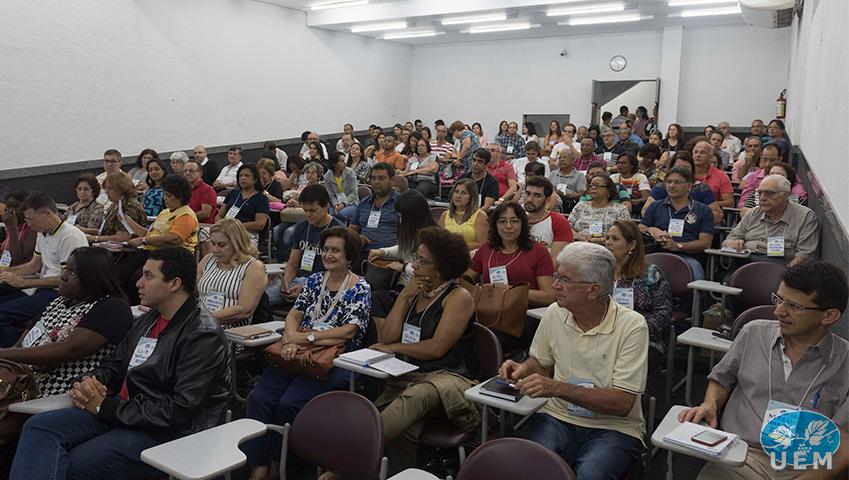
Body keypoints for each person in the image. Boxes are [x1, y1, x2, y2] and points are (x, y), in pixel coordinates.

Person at [9, 247, 230, 480]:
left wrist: (104, 407)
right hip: (123, 412)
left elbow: (178, 410)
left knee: (69, 463)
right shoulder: (148, 320)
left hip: (167, 431)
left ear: (174, 284)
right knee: (39, 427)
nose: (138, 283)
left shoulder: (202, 334)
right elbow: (115, 365)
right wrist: (90, 382)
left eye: (148, 276)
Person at [679, 260, 849, 480]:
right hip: (741, 457)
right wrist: (710, 403)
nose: (779, 311)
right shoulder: (753, 333)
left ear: (829, 316)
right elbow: (721, 378)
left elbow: (843, 446)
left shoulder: (844, 361)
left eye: (794, 306)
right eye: (779, 299)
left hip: (808, 467)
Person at [500, 242, 648, 479]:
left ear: (593, 290)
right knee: (531, 470)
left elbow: (622, 404)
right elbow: (540, 364)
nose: (555, 285)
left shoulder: (632, 326)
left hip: (613, 427)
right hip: (558, 417)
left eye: (565, 279)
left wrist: (556, 387)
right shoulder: (554, 313)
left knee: (591, 474)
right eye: (557, 275)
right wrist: (523, 369)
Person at [242, 227, 370, 480]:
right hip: (299, 350)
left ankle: (280, 466)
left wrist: (306, 338)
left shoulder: (360, 288)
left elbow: (347, 332)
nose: (328, 255)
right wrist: (290, 338)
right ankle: (258, 465)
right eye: (326, 249)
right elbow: (294, 315)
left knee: (288, 404)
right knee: (259, 398)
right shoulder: (313, 281)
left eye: (336, 250)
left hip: (332, 358)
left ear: (349, 256)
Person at [370, 227, 479, 474]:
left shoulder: (458, 297)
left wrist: (394, 347)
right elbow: (386, 336)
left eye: (421, 261)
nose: (413, 265)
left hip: (450, 378)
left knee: (416, 396)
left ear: (440, 268)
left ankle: (353, 457)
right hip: (411, 373)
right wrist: (403, 298)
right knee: (407, 427)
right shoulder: (416, 292)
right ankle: (400, 474)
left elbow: (436, 348)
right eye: (415, 258)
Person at [0, 247, 133, 397]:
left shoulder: (111, 307)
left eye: (73, 273)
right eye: (65, 269)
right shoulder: (58, 301)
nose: (63, 276)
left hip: (62, 389)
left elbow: (69, 350)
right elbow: (22, 344)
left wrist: (5, 354)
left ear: (94, 278)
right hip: (21, 381)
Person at [0, 192, 89, 347]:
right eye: (26, 219)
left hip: (61, 293)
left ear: (47, 214)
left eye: (31, 219)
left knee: (2, 314)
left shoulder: (70, 236)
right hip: (42, 287)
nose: (28, 224)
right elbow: (33, 265)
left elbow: (66, 278)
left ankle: (16, 356)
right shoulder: (43, 233)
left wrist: (23, 283)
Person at [119, 175, 199, 304]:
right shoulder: (165, 212)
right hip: (152, 252)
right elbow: (149, 233)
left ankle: (140, 307)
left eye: (169, 196)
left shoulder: (186, 215)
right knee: (121, 273)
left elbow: (175, 238)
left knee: (136, 279)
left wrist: (144, 240)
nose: (165, 199)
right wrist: (128, 221)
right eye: (165, 195)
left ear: (180, 197)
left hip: (173, 256)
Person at [465, 201, 555, 316]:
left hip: (524, 315)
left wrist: (508, 291)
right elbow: (465, 280)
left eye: (514, 221)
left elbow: (549, 297)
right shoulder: (487, 248)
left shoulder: (538, 251)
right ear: (495, 225)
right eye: (502, 221)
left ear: (523, 224)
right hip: (489, 311)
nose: (508, 226)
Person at [605, 220, 672, 371]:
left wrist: (634, 329)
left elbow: (664, 312)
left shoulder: (650, 273)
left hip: (642, 338)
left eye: (615, 239)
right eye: (607, 238)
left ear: (632, 245)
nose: (608, 243)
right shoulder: (600, 272)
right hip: (604, 335)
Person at [723, 174, 818, 265]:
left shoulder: (805, 216)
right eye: (760, 193)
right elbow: (730, 239)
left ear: (786, 195)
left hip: (783, 267)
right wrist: (733, 243)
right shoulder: (753, 213)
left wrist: (787, 277)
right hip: (747, 261)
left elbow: (804, 255)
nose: (762, 198)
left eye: (769, 193)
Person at [273, 185, 344, 305]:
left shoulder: (337, 230)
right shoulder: (301, 227)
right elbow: (293, 262)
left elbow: (337, 272)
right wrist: (286, 282)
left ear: (326, 206)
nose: (308, 214)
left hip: (323, 285)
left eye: (313, 210)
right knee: (261, 297)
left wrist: (307, 288)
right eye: (305, 210)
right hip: (298, 280)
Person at [640, 167, 715, 280]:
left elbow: (705, 243)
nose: (672, 185)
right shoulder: (656, 206)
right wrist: (652, 230)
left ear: (689, 186)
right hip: (656, 254)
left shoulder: (703, 210)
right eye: (669, 182)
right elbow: (640, 228)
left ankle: (697, 298)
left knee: (694, 277)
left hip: (688, 258)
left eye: (677, 182)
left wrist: (677, 246)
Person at [198, 218, 267, 330]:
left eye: (221, 245)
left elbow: (244, 310)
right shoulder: (207, 260)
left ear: (237, 243)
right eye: (213, 244)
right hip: (200, 326)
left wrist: (203, 319)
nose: (215, 249)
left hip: (231, 332)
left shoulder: (253, 267)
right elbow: (190, 292)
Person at [368, 189, 437, 289]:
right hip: (404, 284)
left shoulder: (432, 239)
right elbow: (406, 249)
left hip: (418, 290)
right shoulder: (416, 232)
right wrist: (383, 252)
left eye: (402, 217)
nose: (400, 221)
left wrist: (403, 267)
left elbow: (429, 272)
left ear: (413, 217)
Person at [643, 152, 723, 224]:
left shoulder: (701, 188)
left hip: (694, 229)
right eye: (678, 167)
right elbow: (645, 211)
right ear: (671, 168)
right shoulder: (661, 187)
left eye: (686, 167)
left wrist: (693, 217)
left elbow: (718, 216)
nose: (682, 171)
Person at [86, 172, 147, 244]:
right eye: (106, 188)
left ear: (121, 189)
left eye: (110, 188)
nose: (106, 192)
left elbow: (123, 237)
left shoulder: (129, 207)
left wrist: (94, 238)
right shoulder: (116, 204)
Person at [215, 164, 271, 244]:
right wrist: (221, 226)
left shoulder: (261, 199)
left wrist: (235, 227)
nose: (243, 178)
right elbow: (219, 215)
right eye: (240, 176)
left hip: (246, 233)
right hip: (226, 230)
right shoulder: (233, 193)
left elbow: (260, 224)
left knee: (228, 243)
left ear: (255, 179)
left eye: (247, 176)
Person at [349, 163, 399, 252]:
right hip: (362, 251)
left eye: (381, 178)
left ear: (392, 180)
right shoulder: (364, 203)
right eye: (373, 178)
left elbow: (409, 235)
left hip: (389, 255)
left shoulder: (401, 203)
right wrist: (357, 237)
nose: (376, 182)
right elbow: (352, 228)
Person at [523, 176, 573, 261]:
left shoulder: (558, 222)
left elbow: (555, 262)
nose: (530, 199)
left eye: (537, 196)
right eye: (528, 193)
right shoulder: (516, 219)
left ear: (547, 200)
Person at [569, 175, 631, 243]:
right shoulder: (580, 206)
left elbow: (625, 234)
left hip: (608, 246)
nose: (593, 188)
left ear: (608, 190)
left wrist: (601, 240)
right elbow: (567, 227)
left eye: (597, 186)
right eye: (591, 186)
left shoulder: (620, 209)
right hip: (579, 244)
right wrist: (580, 237)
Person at [438, 178, 488, 250]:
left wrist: (455, 247)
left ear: (471, 197)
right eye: (456, 192)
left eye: (464, 193)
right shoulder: (445, 215)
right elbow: (438, 240)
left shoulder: (480, 215)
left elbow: (481, 243)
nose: (458, 196)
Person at [738, 143, 782, 208]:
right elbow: (743, 203)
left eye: (772, 160)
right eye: (764, 159)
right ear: (761, 158)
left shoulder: (788, 175)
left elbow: (799, 196)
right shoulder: (752, 177)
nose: (768, 163)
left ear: (780, 159)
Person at [0, 191, 37, 267]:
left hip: (21, 273)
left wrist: (12, 229)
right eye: (8, 206)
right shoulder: (10, 225)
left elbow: (17, 259)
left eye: (16, 207)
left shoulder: (33, 229)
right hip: (5, 268)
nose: (11, 210)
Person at [693, 141, 734, 208]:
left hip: (710, 213)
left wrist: (705, 205)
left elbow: (729, 202)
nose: (698, 155)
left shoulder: (721, 176)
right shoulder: (685, 173)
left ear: (710, 157)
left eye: (702, 152)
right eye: (695, 152)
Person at [323, 151, 359, 222]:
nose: (345, 163)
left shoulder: (350, 172)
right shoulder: (327, 177)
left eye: (344, 160)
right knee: (330, 215)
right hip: (336, 204)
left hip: (351, 203)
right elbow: (331, 195)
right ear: (334, 164)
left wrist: (343, 203)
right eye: (342, 161)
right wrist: (336, 204)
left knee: (341, 214)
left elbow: (354, 193)